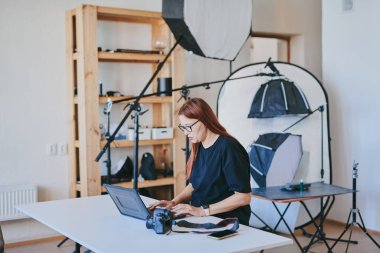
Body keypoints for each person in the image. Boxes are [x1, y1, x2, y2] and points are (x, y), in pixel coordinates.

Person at [149, 98, 251, 225]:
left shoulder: (228, 147)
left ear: (204, 120)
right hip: (202, 219)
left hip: (225, 222)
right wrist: (174, 202)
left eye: (189, 127)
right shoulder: (199, 146)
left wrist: (202, 211)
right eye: (183, 127)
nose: (186, 133)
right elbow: (194, 185)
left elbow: (243, 197)